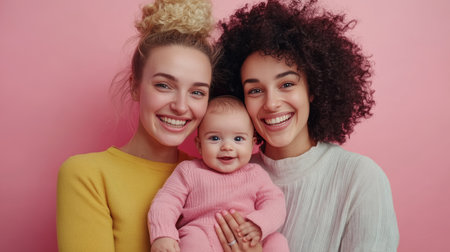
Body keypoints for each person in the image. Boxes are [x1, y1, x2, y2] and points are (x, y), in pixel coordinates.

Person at [212, 0, 400, 251]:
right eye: (255, 90)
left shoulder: (360, 179)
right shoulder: (228, 173)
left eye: (287, 84)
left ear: (312, 89)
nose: (272, 104)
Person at [56, 0, 215, 251]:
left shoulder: (211, 175)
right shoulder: (87, 176)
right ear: (135, 85)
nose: (181, 106)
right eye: (164, 85)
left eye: (197, 92)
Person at [148, 96, 289, 252]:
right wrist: (163, 234)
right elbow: (166, 202)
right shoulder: (189, 171)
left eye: (238, 138)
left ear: (252, 143)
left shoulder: (256, 175)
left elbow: (275, 203)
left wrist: (259, 223)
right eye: (215, 138)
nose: (227, 146)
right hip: (202, 234)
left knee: (277, 240)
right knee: (191, 238)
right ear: (199, 145)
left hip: (248, 238)